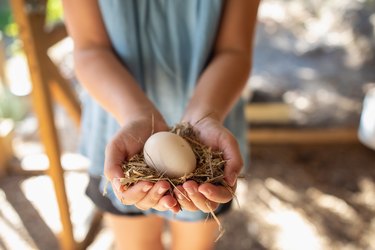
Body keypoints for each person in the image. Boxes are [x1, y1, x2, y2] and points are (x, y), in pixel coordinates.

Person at [62, 0, 259, 249]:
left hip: (212, 114)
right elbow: (90, 48)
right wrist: (137, 115)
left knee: (194, 243)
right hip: (121, 119)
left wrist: (204, 116)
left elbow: (234, 50)